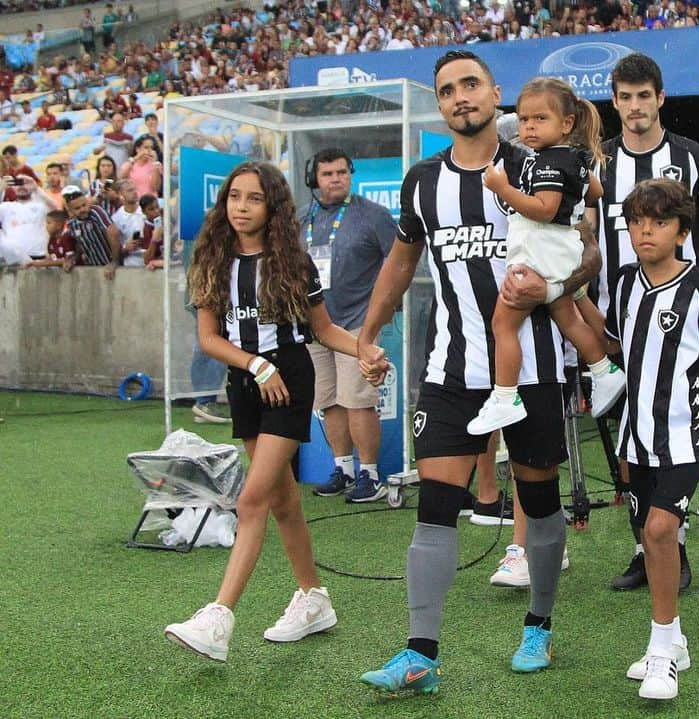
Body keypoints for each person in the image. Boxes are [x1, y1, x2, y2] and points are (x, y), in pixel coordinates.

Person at [354, 49, 599, 694]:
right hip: (451, 371)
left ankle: (539, 625)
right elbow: (402, 264)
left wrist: (554, 285)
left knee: (539, 503)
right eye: (447, 90)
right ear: (440, 106)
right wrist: (368, 333)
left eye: (470, 84)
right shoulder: (421, 182)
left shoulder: (536, 163)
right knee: (435, 509)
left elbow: (588, 251)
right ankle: (420, 653)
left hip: (535, 369)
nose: (460, 97)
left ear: (496, 95)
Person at [164, 161, 362, 663]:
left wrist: (364, 350)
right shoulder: (211, 259)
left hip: (289, 383)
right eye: (234, 197)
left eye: (253, 199)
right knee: (280, 501)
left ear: (272, 206)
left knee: (251, 500)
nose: (241, 208)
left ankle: (218, 618)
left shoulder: (293, 263)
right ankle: (314, 598)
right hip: (247, 383)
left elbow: (323, 329)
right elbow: (209, 339)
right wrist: (254, 365)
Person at [588, 52, 699, 594]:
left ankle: (672, 546)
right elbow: (584, 238)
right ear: (613, 103)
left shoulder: (693, 156)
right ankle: (646, 548)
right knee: (629, 441)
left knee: (676, 427)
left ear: (661, 98)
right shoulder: (598, 161)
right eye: (625, 97)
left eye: (645, 96)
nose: (635, 107)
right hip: (616, 319)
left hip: (679, 318)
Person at [605, 179, 699, 700]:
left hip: (689, 430)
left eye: (660, 222)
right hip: (636, 433)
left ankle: (662, 652)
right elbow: (613, 344)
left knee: (662, 530)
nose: (646, 230)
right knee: (647, 536)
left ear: (683, 232)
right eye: (638, 221)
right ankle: (675, 638)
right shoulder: (622, 283)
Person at [466, 78, 624, 435]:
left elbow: (545, 209)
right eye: (523, 120)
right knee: (568, 319)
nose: (529, 128)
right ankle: (603, 370)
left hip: (541, 252)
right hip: (560, 249)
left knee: (502, 323)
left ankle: (505, 397)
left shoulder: (550, 163)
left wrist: (503, 188)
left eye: (539, 119)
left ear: (566, 123)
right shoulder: (574, 155)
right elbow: (595, 191)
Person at [299, 147, 397, 503]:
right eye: (328, 174)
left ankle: (370, 475)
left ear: (350, 174)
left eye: (342, 172)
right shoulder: (301, 219)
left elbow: (398, 262)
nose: (336, 179)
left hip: (358, 323)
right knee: (328, 402)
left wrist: (382, 311)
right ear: (315, 179)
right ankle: (344, 468)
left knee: (358, 401)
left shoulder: (373, 216)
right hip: (314, 325)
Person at [0, 173, 59, 261]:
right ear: (12, 186)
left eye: (26, 183)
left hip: (37, 256)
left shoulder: (41, 206)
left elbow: (55, 209)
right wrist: (1, 188)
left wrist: (36, 188)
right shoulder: (6, 207)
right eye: (18, 183)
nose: (22, 186)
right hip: (12, 258)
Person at [110, 179, 147, 267]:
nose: (134, 192)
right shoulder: (116, 218)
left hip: (150, 258)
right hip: (131, 262)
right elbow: (115, 252)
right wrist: (125, 248)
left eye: (134, 189)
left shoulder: (146, 209)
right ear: (120, 195)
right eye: (130, 190)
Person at [120, 135, 162, 199]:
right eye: (146, 147)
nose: (149, 150)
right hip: (133, 202)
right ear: (138, 149)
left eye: (151, 148)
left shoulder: (156, 165)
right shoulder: (130, 163)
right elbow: (121, 177)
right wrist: (136, 158)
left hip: (149, 202)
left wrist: (155, 163)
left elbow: (155, 187)